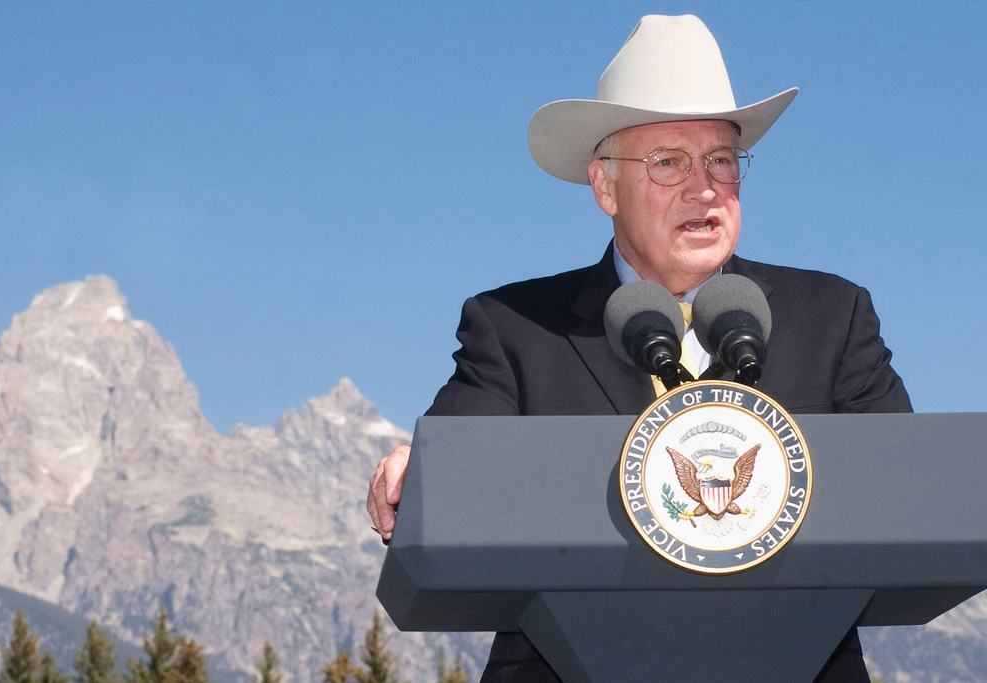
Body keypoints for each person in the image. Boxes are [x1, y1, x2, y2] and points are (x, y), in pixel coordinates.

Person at [368, 14, 910, 683]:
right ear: (604, 186)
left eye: (720, 159)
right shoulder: (515, 327)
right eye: (669, 162)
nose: (705, 185)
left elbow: (905, 489)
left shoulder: (832, 316)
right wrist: (421, 468)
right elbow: (455, 463)